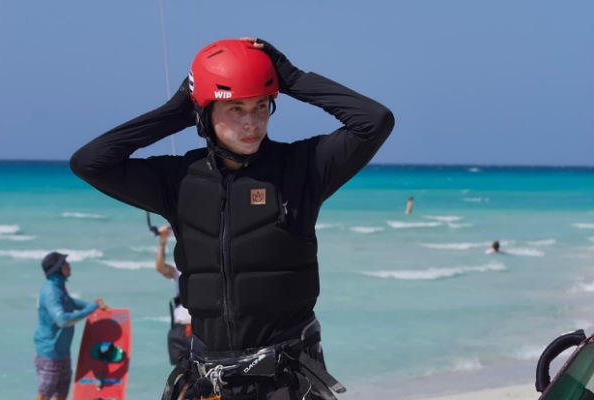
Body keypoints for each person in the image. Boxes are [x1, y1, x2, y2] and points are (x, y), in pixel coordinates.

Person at [70, 37, 394, 400]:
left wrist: (293, 78)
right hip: (208, 381)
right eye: (235, 108)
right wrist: (179, 109)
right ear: (206, 113)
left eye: (261, 106)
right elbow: (90, 162)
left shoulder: (302, 169)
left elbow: (374, 121)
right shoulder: (178, 180)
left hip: (285, 382)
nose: (251, 123)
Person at [34, 252, 109, 400]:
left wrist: (93, 306)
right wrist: (89, 310)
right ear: (57, 269)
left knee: (62, 394)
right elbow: (62, 320)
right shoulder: (51, 292)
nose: (69, 265)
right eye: (65, 263)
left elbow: (69, 302)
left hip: (62, 352)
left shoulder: (59, 287)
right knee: (44, 395)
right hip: (50, 353)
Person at [155, 225, 192, 365]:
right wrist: (162, 242)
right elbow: (160, 267)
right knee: (180, 371)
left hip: (200, 328)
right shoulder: (179, 270)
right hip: (180, 329)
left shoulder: (207, 269)